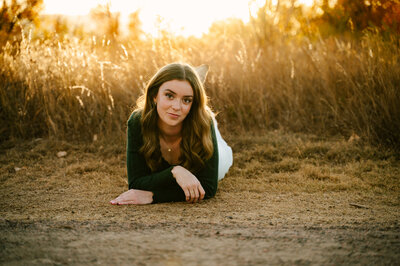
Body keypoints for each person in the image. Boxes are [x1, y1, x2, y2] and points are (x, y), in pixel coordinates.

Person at [110, 62, 232, 205]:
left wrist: (153, 196)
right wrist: (174, 172)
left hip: (209, 138)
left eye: (186, 100)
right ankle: (194, 75)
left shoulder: (204, 122)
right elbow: (136, 183)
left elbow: (208, 188)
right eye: (169, 96)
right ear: (155, 95)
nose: (176, 107)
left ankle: (195, 76)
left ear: (193, 104)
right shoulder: (138, 121)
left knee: (224, 163)